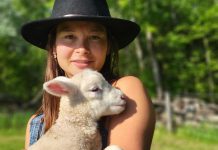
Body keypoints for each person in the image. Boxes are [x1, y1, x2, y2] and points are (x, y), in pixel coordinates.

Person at [21, 0, 156, 149]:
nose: (82, 48)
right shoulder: (36, 124)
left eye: (95, 37)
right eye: (69, 36)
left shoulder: (126, 90)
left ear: (108, 46)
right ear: (53, 47)